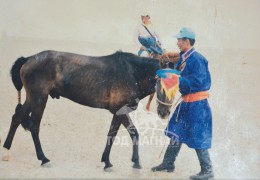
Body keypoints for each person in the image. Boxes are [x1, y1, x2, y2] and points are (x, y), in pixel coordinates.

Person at [151, 27, 214, 180]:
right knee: (176, 131)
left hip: (198, 105)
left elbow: (199, 82)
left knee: (198, 135)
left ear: (187, 41)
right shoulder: (184, 57)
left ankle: (207, 170)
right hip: (187, 103)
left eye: (179, 40)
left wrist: (177, 79)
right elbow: (177, 68)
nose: (177, 43)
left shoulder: (197, 59)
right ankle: (168, 163)